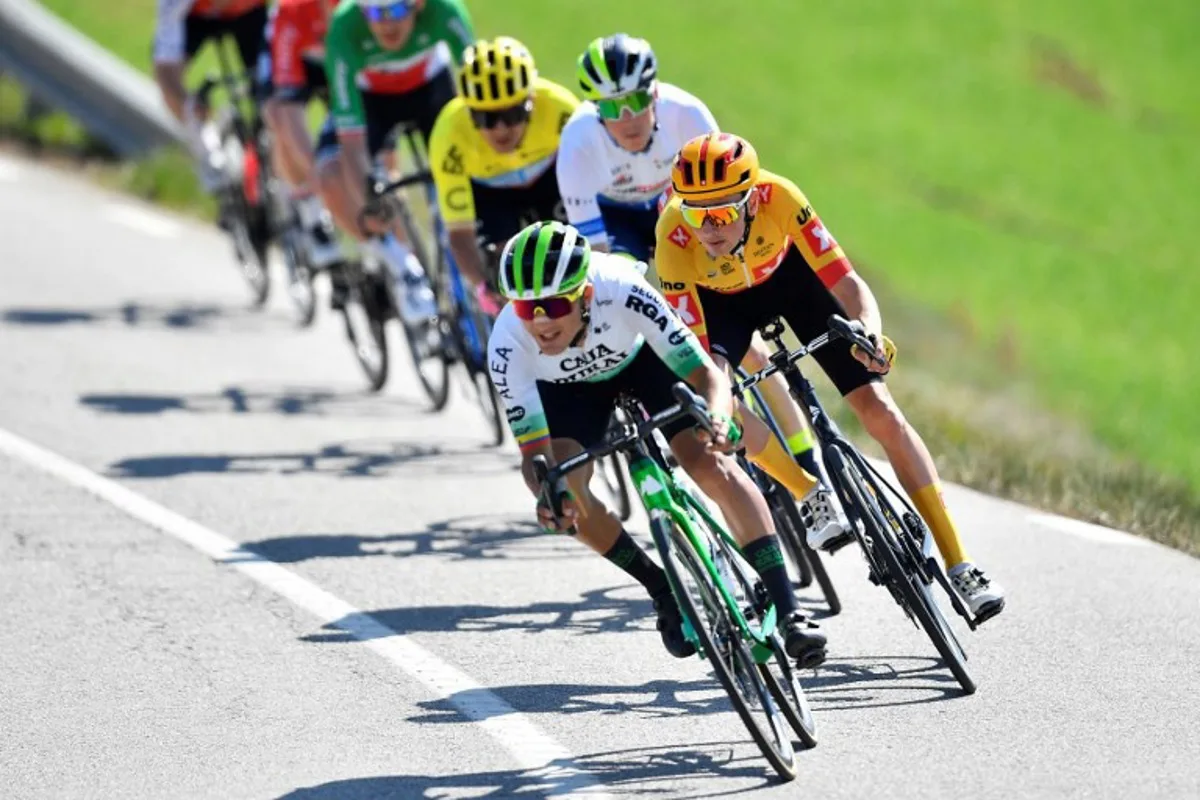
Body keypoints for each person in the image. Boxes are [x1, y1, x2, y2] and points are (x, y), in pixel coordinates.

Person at [655, 132, 1006, 621]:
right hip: (720, 308)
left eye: (720, 212)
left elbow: (846, 283)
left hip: (789, 283)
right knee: (719, 404)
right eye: (696, 213)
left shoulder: (780, 196)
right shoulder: (673, 237)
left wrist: (872, 335)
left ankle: (960, 564)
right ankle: (808, 493)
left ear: (751, 198)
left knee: (880, 410)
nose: (707, 228)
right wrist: (717, 405)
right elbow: (699, 351)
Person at [487, 220, 828, 667]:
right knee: (560, 486)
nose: (540, 321)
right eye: (524, 308)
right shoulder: (507, 347)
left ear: (585, 296)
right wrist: (550, 491)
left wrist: (720, 418)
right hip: (568, 392)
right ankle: (661, 587)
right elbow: (534, 453)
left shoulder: (622, 289)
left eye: (552, 304)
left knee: (708, 462)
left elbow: (707, 375)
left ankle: (788, 610)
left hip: (644, 361)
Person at [558, 33, 848, 544]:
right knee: (628, 292)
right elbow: (598, 257)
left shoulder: (687, 114)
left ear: (654, 93)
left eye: (633, 101)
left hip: (691, 208)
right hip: (622, 222)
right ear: (593, 107)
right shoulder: (579, 142)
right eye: (608, 105)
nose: (624, 116)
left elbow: (728, 188)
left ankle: (803, 456)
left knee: (751, 345)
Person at [325, 0, 474, 320]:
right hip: (373, 101)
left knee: (467, 160)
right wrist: (370, 196)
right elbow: (351, 141)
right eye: (376, 13)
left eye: (396, 11)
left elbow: (479, 87)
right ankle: (402, 264)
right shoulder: (345, 27)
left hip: (430, 87)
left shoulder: (444, 10)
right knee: (335, 173)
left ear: (418, 5)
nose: (386, 24)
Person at [427, 37, 579, 313]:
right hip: (490, 192)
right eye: (485, 118)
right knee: (506, 272)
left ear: (532, 101)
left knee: (571, 257)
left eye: (512, 114)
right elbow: (460, 233)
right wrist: (485, 286)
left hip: (547, 178)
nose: (500, 129)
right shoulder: (449, 134)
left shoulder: (561, 110)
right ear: (468, 112)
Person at [258, 0, 350, 272]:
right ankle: (307, 204)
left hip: (338, 56)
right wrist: (317, 176)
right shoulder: (292, 11)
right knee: (278, 114)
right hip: (296, 53)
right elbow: (289, 109)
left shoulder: (360, 11)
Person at [152, 0, 269, 191]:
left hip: (249, 11)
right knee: (167, 85)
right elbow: (166, 68)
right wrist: (187, 106)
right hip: (194, 16)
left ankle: (272, 163)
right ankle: (210, 153)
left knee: (270, 90)